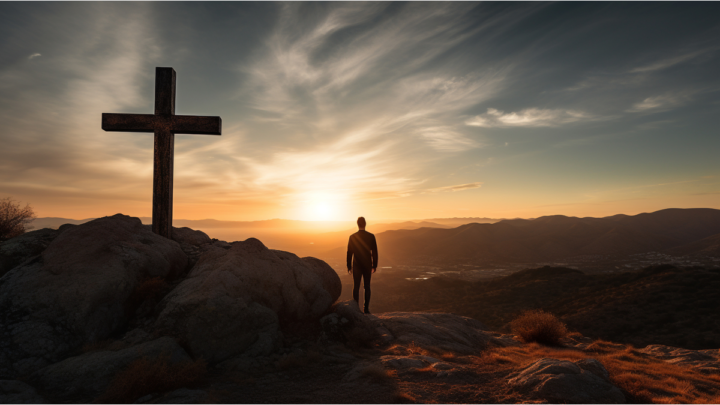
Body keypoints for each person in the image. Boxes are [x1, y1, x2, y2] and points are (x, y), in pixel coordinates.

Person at [346, 216, 378, 314]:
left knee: (356, 286)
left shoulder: (353, 237)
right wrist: (374, 265)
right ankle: (366, 309)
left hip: (357, 265)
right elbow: (374, 252)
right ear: (365, 224)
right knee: (367, 286)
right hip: (367, 265)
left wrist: (349, 266)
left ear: (357, 224)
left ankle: (356, 309)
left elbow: (349, 253)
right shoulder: (371, 236)